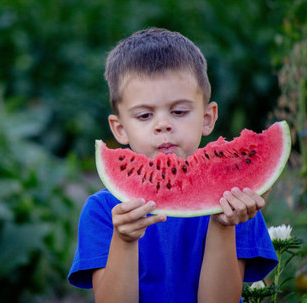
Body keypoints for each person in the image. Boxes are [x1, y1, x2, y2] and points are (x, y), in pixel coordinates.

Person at [67, 28, 278, 303]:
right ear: (119, 129)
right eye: (144, 115)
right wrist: (124, 240)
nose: (163, 124)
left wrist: (223, 226)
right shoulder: (103, 212)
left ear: (207, 117)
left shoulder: (236, 204)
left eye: (179, 112)